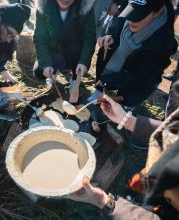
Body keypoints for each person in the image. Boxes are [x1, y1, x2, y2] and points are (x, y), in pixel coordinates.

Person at [66, 72, 179, 219]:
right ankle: (136, 195)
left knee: (150, 203)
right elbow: (174, 134)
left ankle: (141, 200)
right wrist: (130, 121)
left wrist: (104, 202)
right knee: (139, 186)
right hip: (161, 174)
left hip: (166, 201)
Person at [88, 0, 178, 107]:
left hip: (139, 78)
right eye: (131, 13)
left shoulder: (162, 42)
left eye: (139, 16)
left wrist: (109, 80)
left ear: (157, 12)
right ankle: (99, 90)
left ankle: (126, 104)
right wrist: (111, 37)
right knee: (106, 52)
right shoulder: (128, 17)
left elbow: (142, 76)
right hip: (123, 65)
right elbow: (117, 26)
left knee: (128, 98)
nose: (131, 21)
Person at [33, 0, 96, 99]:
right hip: (54, 50)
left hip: (74, 51)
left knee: (76, 49)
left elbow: (89, 37)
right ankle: (53, 71)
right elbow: (40, 38)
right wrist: (46, 64)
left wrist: (84, 61)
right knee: (39, 72)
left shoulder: (85, 7)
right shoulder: (44, 6)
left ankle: (75, 78)